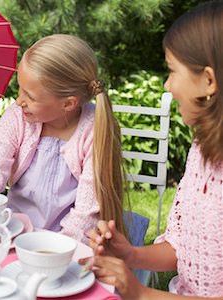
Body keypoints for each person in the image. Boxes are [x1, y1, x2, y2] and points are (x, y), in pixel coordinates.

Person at [84, 1, 223, 298]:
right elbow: (181, 248)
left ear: (208, 80)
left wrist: (141, 293)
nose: (167, 86)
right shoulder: (202, 151)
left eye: (172, 71)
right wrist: (130, 254)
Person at [0, 34, 126, 243]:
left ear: (68, 103)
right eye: (20, 89)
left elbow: (87, 215)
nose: (19, 100)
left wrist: (53, 250)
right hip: (14, 233)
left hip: (71, 243)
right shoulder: (17, 118)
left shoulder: (94, 129)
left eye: (30, 96)